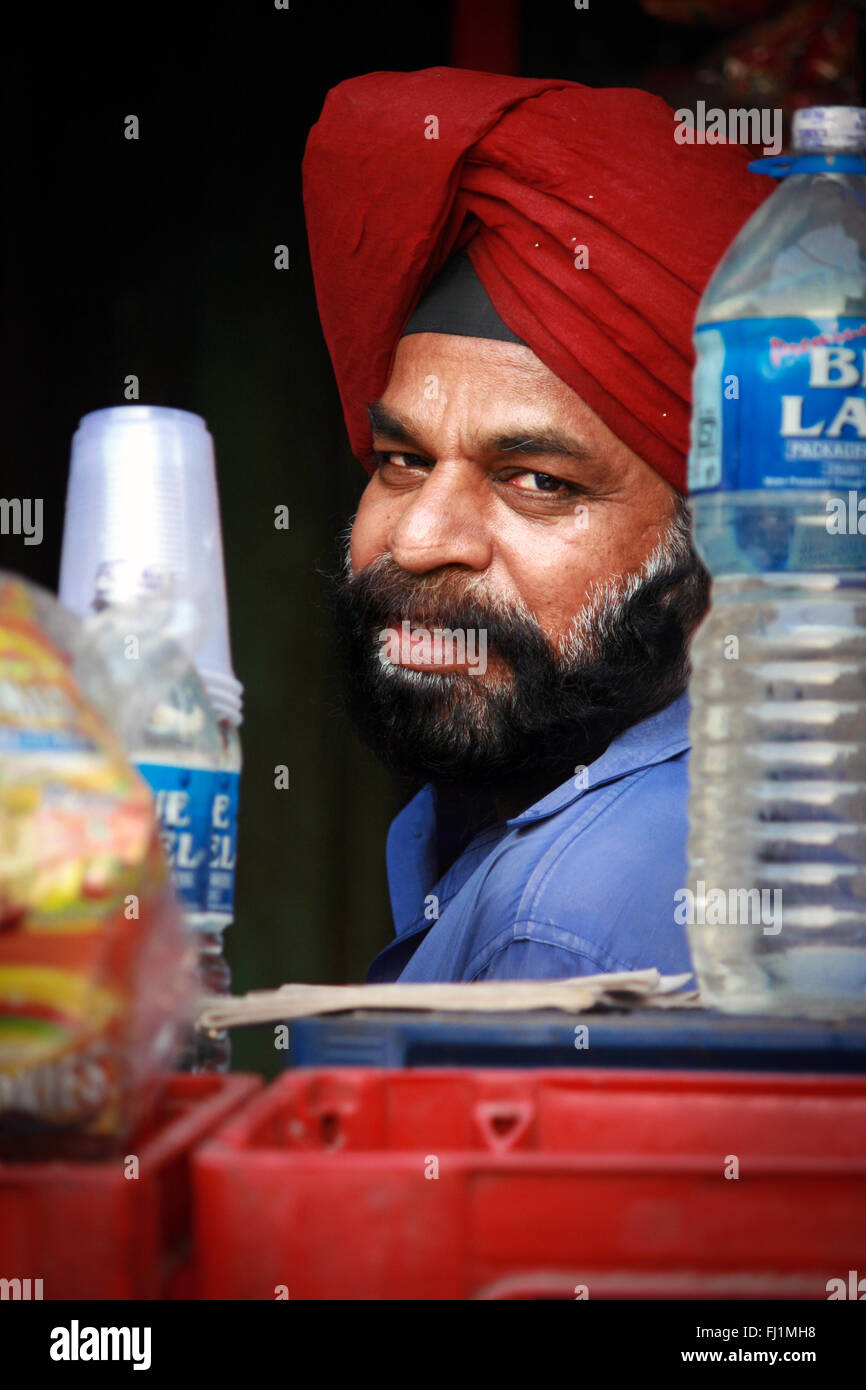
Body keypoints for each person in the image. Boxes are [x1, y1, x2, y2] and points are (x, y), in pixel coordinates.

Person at [302, 67, 771, 983]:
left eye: (536, 482)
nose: (420, 539)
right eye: (402, 461)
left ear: (718, 552)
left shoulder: (560, 923)